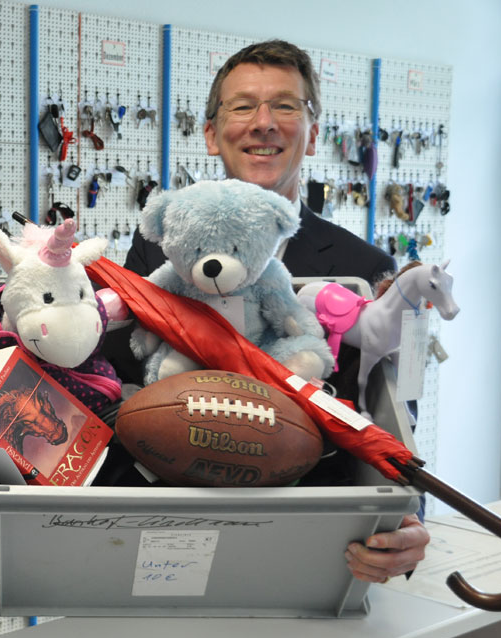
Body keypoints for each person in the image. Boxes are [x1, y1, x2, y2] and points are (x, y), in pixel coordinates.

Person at [118, 40, 428, 585]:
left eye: (286, 106)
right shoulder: (156, 253)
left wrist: (405, 518)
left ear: (312, 133)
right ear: (212, 134)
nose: (264, 123)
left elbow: (390, 416)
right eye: (242, 107)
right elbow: (126, 389)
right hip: (175, 532)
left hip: (317, 541)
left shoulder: (365, 266)